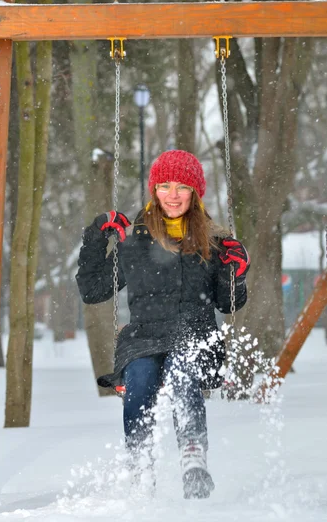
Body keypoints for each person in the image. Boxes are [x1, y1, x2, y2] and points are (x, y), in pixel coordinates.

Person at [76, 149, 250, 499]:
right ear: (154, 190)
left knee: (182, 369)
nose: (173, 195)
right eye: (165, 185)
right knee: (139, 379)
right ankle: (140, 462)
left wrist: (237, 274)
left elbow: (228, 303)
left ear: (195, 194)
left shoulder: (213, 243)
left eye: (182, 187)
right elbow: (94, 291)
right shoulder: (135, 239)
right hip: (144, 337)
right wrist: (97, 236)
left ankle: (193, 455)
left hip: (194, 335)